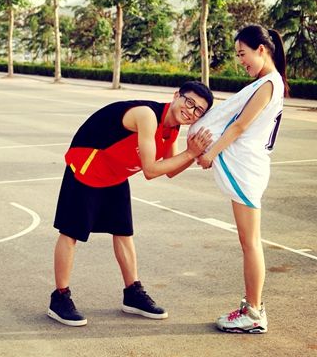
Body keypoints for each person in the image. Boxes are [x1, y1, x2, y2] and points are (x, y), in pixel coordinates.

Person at [47, 81, 214, 326]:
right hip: (88, 164)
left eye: (198, 110)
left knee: (123, 232)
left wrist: (196, 153)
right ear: (176, 96)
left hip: (115, 172)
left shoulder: (172, 128)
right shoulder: (147, 115)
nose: (191, 111)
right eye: (189, 102)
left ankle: (132, 293)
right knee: (71, 232)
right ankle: (59, 298)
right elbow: (151, 170)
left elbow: (171, 170)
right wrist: (191, 153)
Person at [190, 25, 288, 334]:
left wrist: (210, 153)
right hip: (250, 167)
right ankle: (253, 308)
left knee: (250, 243)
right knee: (249, 242)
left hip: (247, 169)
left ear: (262, 49)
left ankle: (253, 312)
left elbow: (239, 126)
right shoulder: (269, 82)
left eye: (243, 54)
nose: (240, 61)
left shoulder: (268, 84)